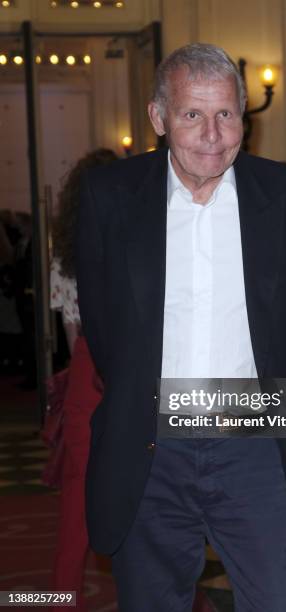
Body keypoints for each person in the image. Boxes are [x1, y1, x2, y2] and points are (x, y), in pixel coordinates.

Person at [76, 43, 286, 611]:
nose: (212, 134)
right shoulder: (110, 197)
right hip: (149, 443)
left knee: (277, 601)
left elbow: (285, 321)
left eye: (226, 114)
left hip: (251, 440)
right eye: (192, 114)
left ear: (244, 118)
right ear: (159, 118)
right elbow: (106, 331)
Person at [49, 149, 118, 611]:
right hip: (125, 371)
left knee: (76, 504)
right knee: (150, 500)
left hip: (84, 374)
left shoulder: (66, 257)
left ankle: (60, 600)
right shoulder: (127, 242)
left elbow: (71, 335)